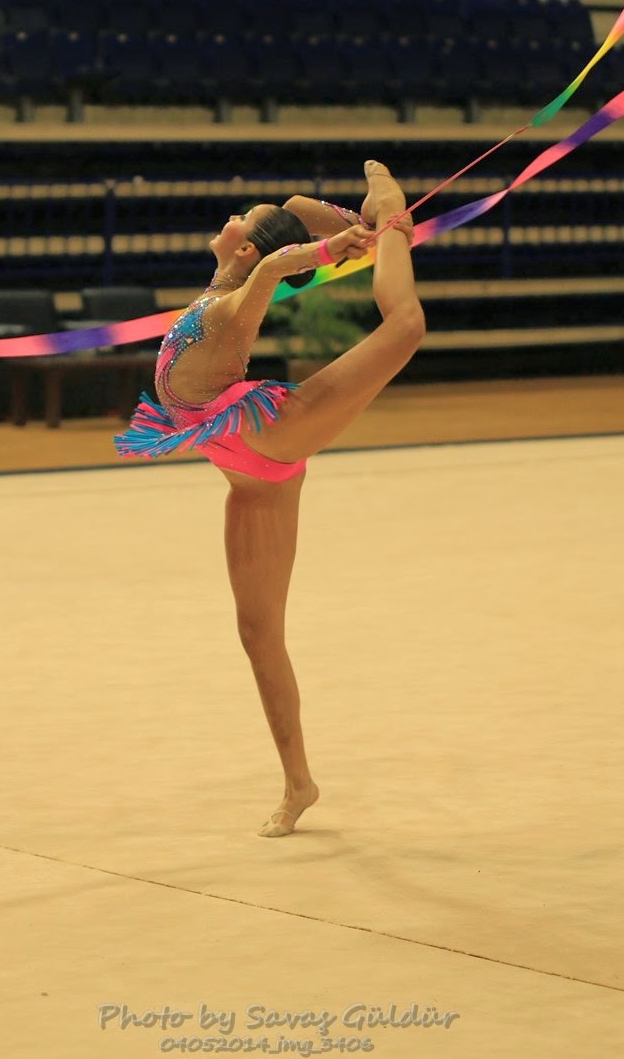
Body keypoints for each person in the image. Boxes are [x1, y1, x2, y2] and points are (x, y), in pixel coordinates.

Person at [115, 161, 425, 836]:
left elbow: (275, 266)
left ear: (248, 251)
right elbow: (289, 214)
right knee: (258, 634)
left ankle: (395, 211)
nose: (229, 218)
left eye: (240, 220)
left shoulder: (239, 299)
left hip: (275, 432)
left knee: (404, 325)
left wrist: (354, 235)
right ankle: (299, 784)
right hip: (247, 474)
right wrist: (332, 223)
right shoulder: (225, 285)